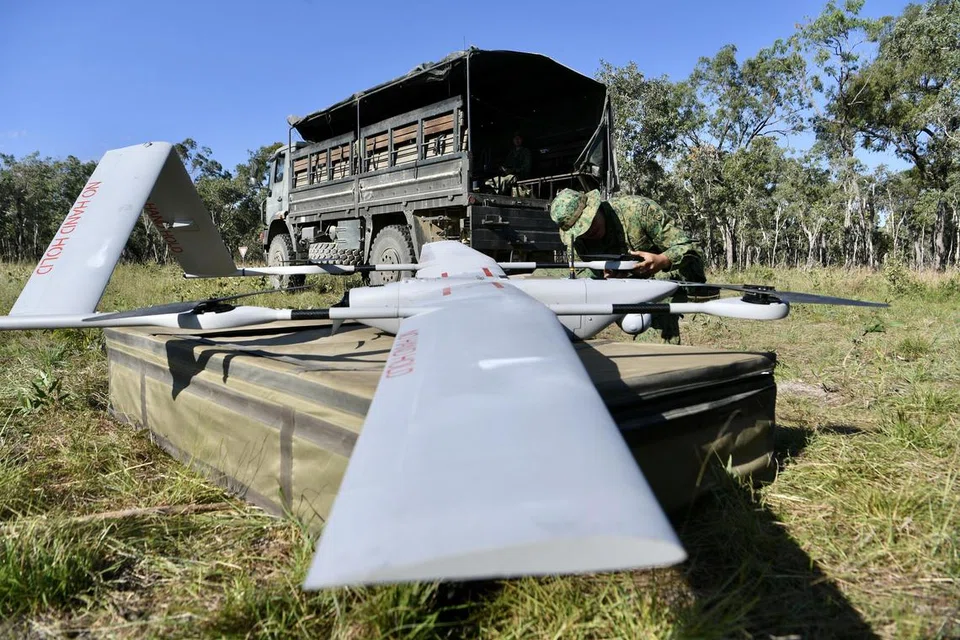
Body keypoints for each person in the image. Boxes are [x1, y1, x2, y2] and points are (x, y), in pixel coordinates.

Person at [549, 188, 710, 344]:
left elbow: (690, 248)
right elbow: (583, 278)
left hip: (664, 277)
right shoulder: (577, 242)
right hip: (622, 289)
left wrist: (662, 259)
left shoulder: (639, 211)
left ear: (594, 207)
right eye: (581, 230)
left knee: (649, 329)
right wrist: (605, 281)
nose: (589, 230)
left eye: (590, 222)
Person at [485, 132, 532, 196]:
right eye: (515, 139)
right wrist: (503, 168)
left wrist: (514, 170)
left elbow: (526, 167)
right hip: (507, 174)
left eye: (519, 138)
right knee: (490, 181)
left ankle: (496, 196)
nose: (517, 140)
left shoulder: (526, 152)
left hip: (519, 175)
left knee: (503, 181)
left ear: (522, 140)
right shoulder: (511, 153)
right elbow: (506, 164)